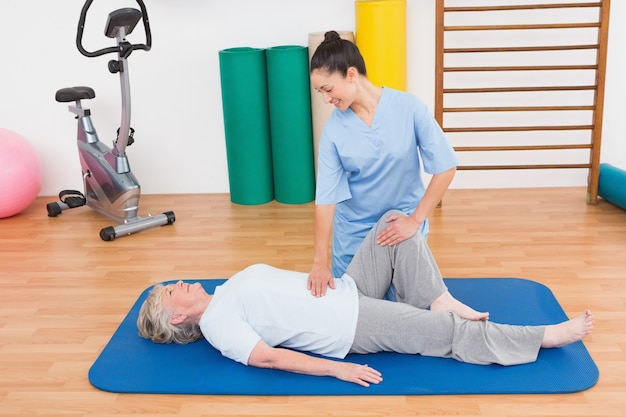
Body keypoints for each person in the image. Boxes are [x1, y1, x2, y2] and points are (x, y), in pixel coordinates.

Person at [137, 210, 594, 387]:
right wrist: (339, 368)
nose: (181, 282)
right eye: (173, 290)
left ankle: (436, 296)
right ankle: (542, 338)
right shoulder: (217, 326)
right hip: (350, 324)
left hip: (347, 288)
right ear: (178, 317)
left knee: (392, 227)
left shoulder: (226, 290)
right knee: (445, 334)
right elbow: (269, 359)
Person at [308, 30, 459, 297]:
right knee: (358, 317)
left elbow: (445, 167)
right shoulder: (333, 130)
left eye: (328, 89)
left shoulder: (409, 107)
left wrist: (415, 220)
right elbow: (326, 200)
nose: (325, 100)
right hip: (355, 235)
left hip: (402, 229)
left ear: (351, 74)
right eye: (319, 91)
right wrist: (320, 262)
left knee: (406, 314)